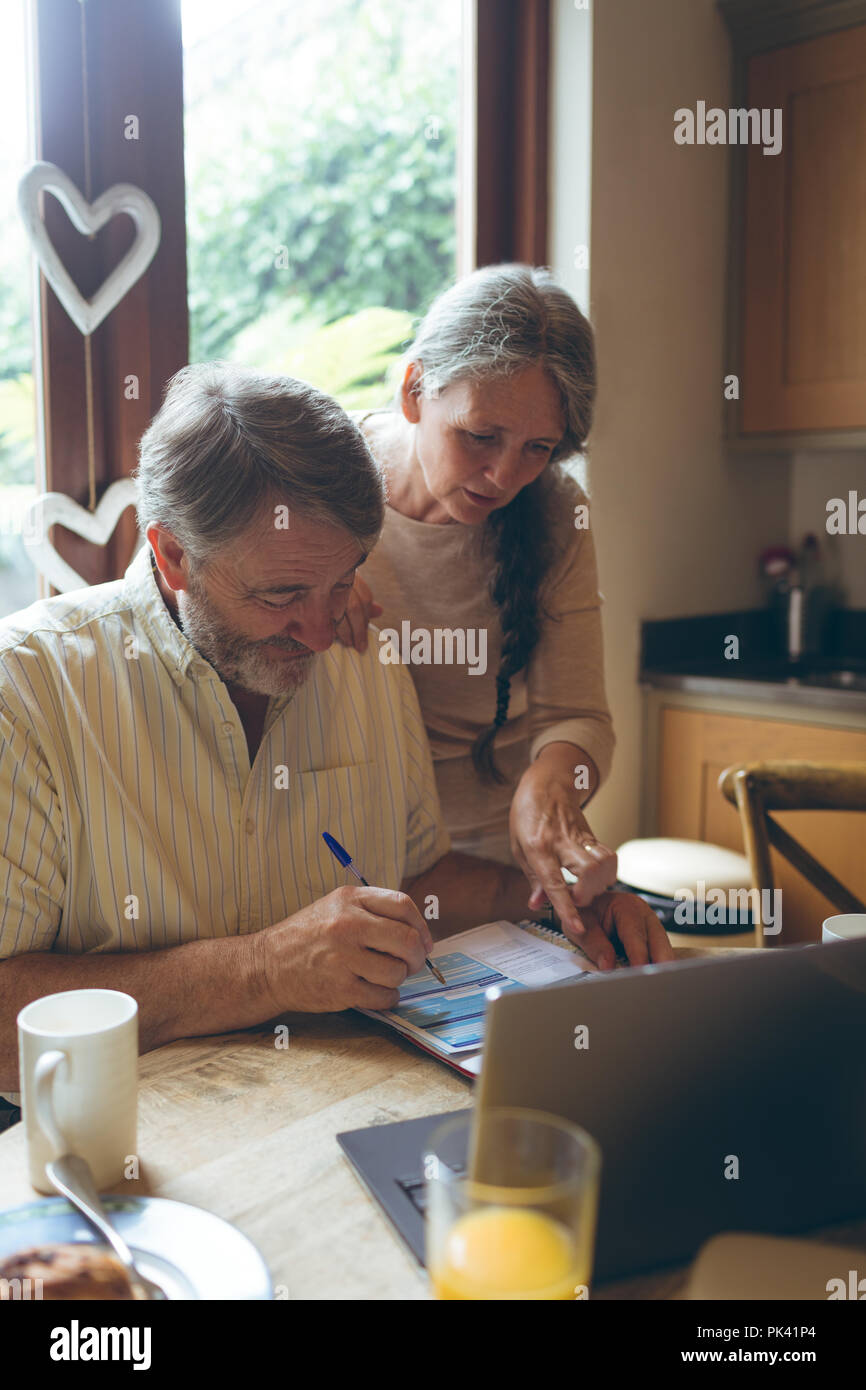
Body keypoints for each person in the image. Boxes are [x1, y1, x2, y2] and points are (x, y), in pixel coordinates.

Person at [0, 364, 673, 1105]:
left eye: (343, 580)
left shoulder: (367, 658)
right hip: (122, 1150)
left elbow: (422, 884)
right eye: (283, 593)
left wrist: (564, 906)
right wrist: (262, 969)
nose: (323, 632)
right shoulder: (29, 690)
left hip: (337, 1111)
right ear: (174, 557)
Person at [339, 263, 617, 937]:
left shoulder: (554, 517)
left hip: (501, 890)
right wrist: (307, 593)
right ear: (414, 392)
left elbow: (579, 716)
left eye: (537, 449)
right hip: (351, 877)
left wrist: (550, 785)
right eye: (480, 436)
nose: (503, 475)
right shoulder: (324, 483)